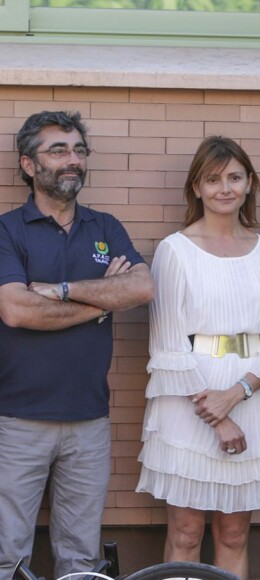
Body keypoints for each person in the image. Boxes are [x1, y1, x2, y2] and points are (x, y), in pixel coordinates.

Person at [0, 110, 154, 580]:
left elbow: (142, 287)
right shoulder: (7, 230)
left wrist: (61, 290)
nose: (73, 160)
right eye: (59, 150)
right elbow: (18, 310)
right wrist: (102, 301)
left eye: (79, 150)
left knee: (81, 558)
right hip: (18, 419)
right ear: (29, 165)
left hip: (89, 419)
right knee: (8, 554)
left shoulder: (104, 227)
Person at [136, 135, 260, 580]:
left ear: (249, 184)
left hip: (252, 397)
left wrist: (238, 393)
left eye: (234, 177)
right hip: (191, 399)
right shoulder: (176, 250)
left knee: (233, 533)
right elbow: (167, 344)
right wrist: (218, 413)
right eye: (213, 179)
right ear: (196, 188)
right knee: (186, 532)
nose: (224, 188)